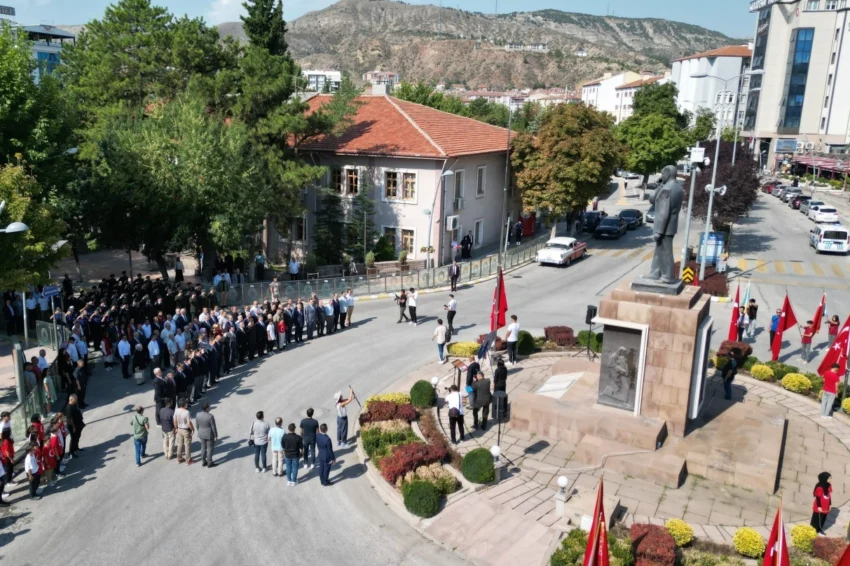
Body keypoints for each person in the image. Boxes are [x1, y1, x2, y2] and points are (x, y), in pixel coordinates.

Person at [195, 403, 218, 468]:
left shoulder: (198, 414)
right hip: (209, 434)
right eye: (209, 407)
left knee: (203, 448)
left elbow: (197, 425)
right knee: (209, 449)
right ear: (207, 408)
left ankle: (203, 461)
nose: (210, 408)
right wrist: (216, 435)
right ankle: (209, 463)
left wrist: (199, 431)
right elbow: (213, 427)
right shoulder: (210, 416)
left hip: (201, 434)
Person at [173, 399, 194, 465]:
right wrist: (192, 429)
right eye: (186, 403)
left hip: (179, 429)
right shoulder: (187, 412)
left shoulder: (176, 410)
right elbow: (189, 423)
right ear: (184, 404)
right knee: (187, 445)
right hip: (185, 430)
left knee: (179, 444)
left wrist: (176, 428)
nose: (187, 404)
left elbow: (175, 420)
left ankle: (179, 459)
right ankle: (188, 460)